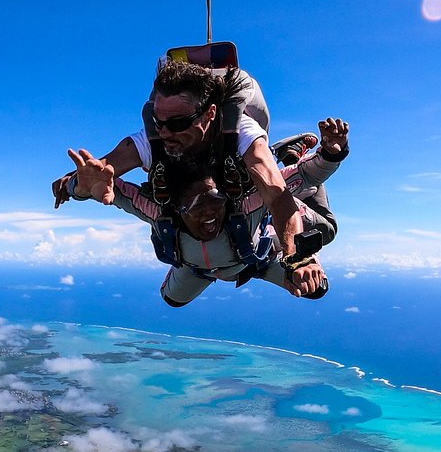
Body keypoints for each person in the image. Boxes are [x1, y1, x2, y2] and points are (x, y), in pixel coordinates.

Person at [66, 119, 349, 306]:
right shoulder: (157, 210)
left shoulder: (246, 201)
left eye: (215, 198)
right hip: (202, 268)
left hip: (264, 256)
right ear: (176, 205)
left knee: (323, 241)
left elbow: (305, 175)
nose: (208, 212)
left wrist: (332, 153)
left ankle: (288, 154)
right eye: (194, 205)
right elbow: (105, 187)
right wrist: (74, 185)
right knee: (172, 300)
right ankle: (282, 162)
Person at [54, 59, 313, 263]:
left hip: (235, 181)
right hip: (196, 201)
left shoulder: (244, 135)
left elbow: (278, 197)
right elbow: (100, 172)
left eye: (178, 123)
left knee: (323, 226)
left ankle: (284, 155)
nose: (165, 132)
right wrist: (76, 187)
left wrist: (295, 256)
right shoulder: (150, 141)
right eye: (159, 122)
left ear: (210, 114)